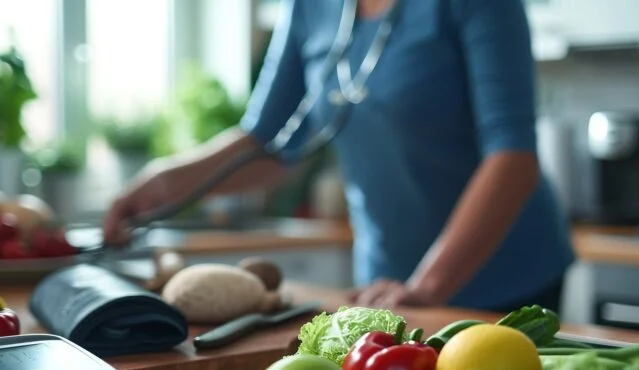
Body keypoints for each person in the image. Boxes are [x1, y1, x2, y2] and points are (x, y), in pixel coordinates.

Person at [102, 0, 576, 313]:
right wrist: (163, 184)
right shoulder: (309, 6)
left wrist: (428, 286)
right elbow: (265, 143)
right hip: (388, 287)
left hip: (506, 282)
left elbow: (512, 157)